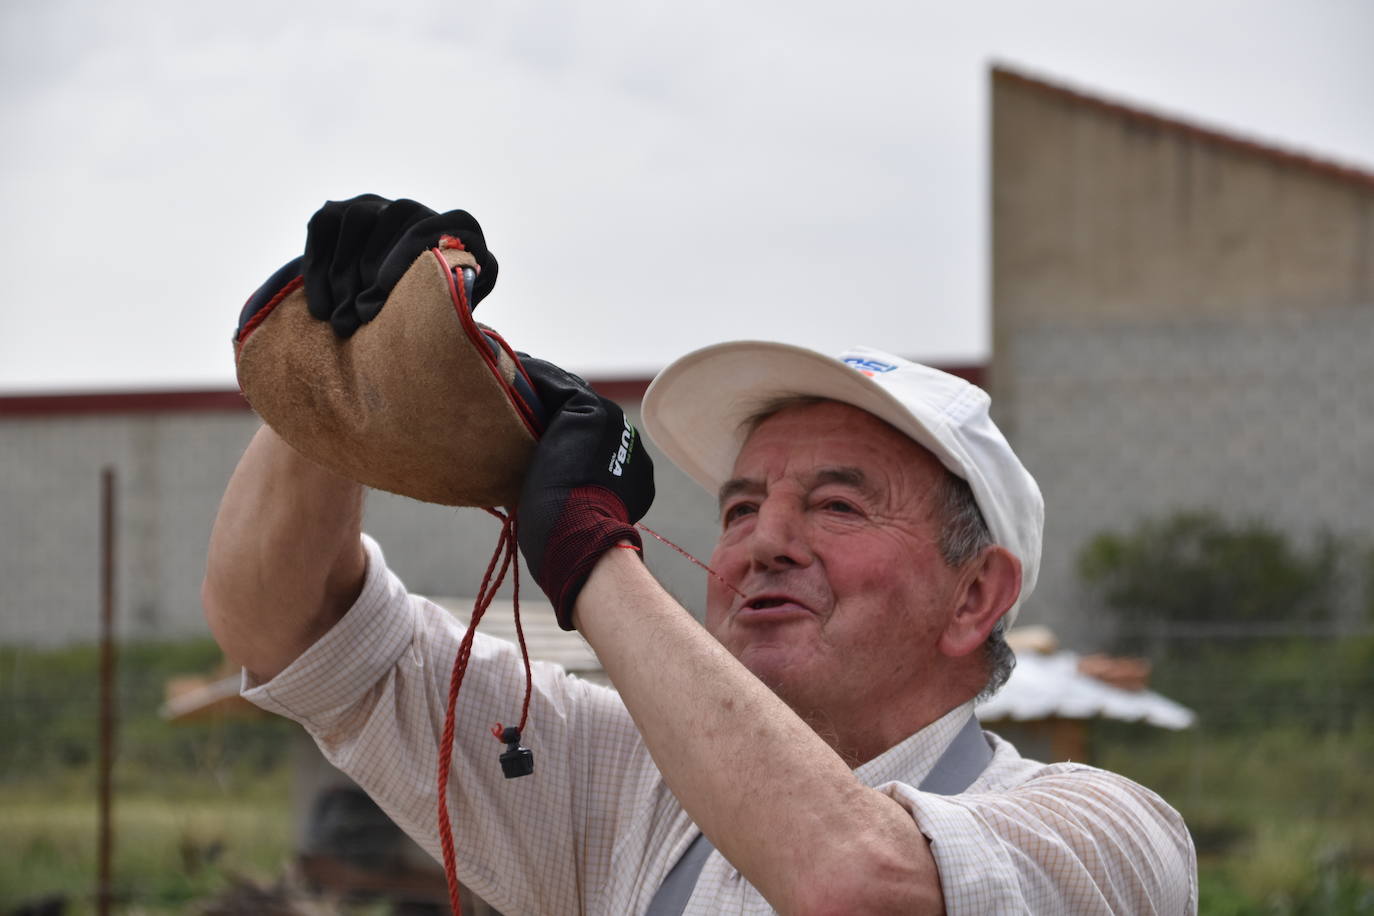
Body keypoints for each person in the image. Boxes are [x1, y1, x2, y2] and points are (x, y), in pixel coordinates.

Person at [204, 200, 1197, 914]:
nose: (765, 540)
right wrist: (345, 374)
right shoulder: (635, 788)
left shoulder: (1108, 837)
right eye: (741, 504)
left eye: (838, 502)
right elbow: (294, 633)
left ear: (978, 593)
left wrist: (592, 552)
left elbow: (857, 886)